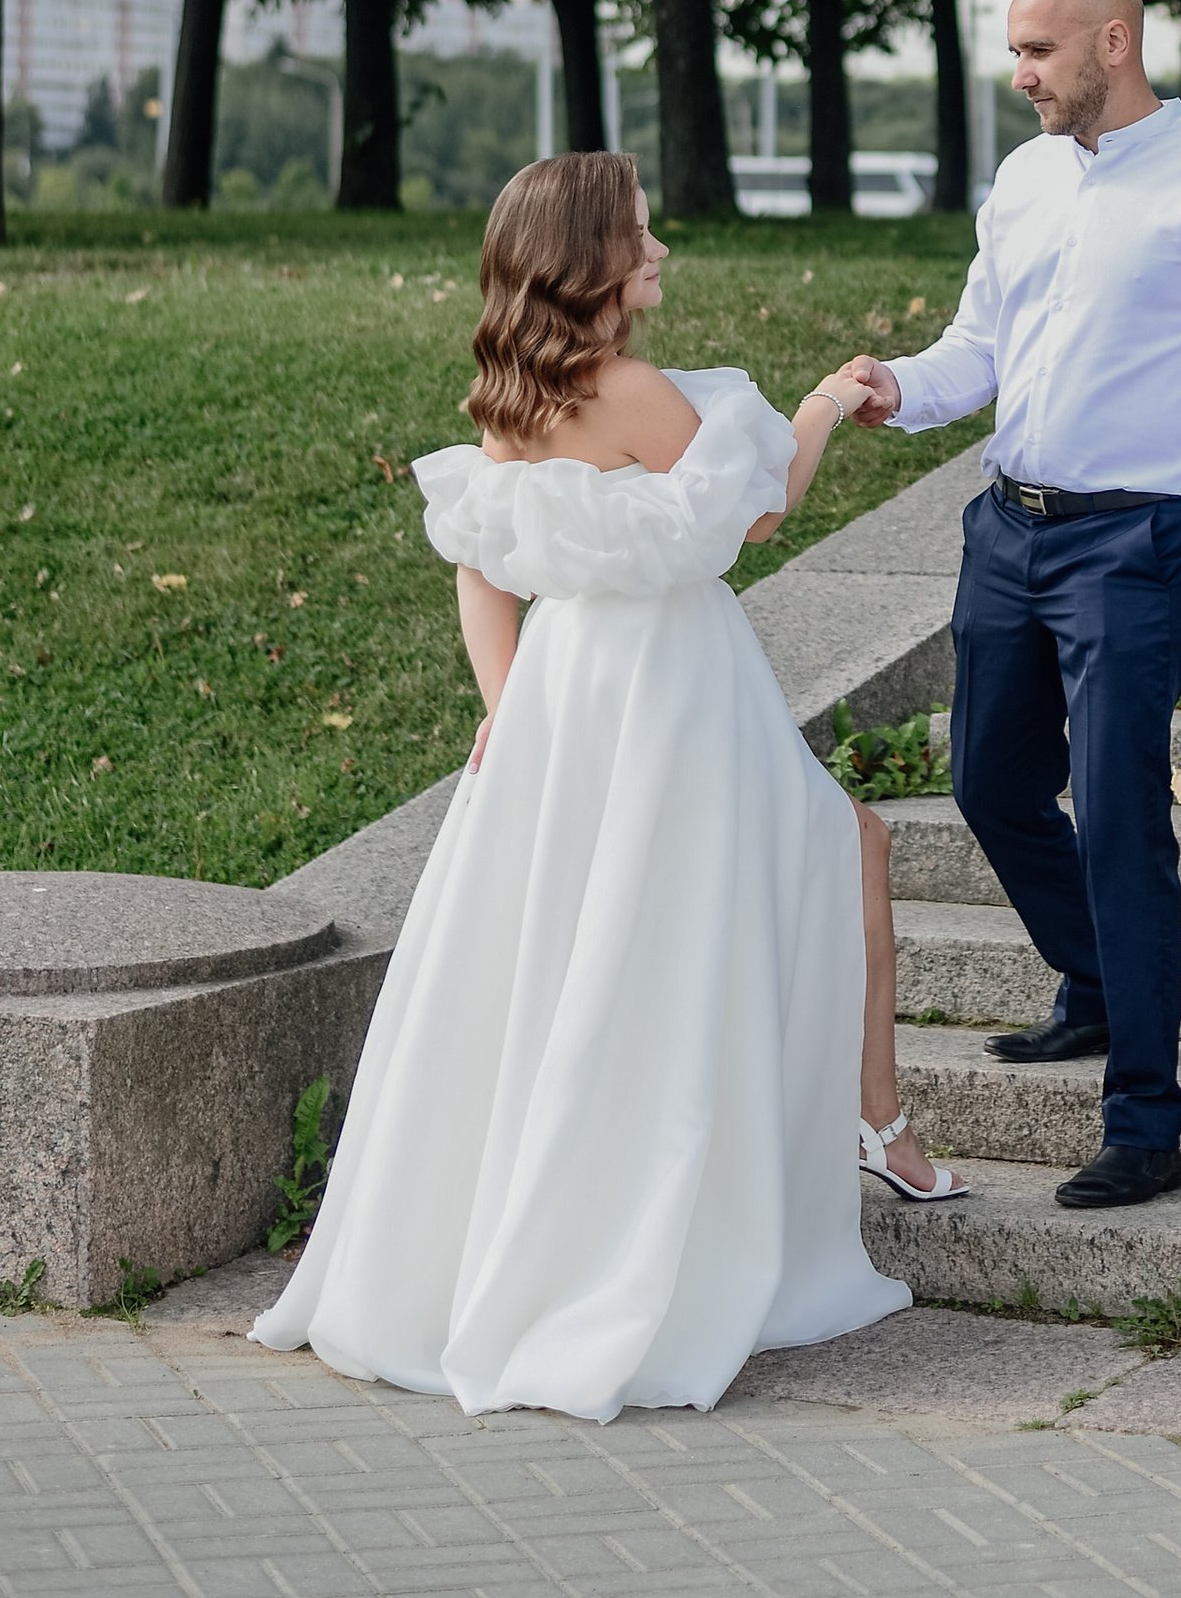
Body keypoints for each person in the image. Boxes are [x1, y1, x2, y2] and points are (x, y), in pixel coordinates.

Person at [252, 151, 957, 1425]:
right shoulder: (631, 392)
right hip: (671, 685)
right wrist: (810, 413)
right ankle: (862, 1131)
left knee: (617, 917)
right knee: (792, 868)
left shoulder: (511, 395)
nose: (660, 252)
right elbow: (748, 522)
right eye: (640, 235)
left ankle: (861, 1126)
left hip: (571, 685)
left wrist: (505, 709)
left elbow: (479, 571)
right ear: (590, 261)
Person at [847, 0, 1181, 1208]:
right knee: (990, 783)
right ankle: (1097, 980)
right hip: (1008, 529)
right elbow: (979, 349)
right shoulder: (1024, 176)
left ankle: (1145, 1121)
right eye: (1014, 51)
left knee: (1116, 816)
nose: (1020, 76)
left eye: (1040, 53)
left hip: (1135, 544)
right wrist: (899, 388)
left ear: (1114, 42)